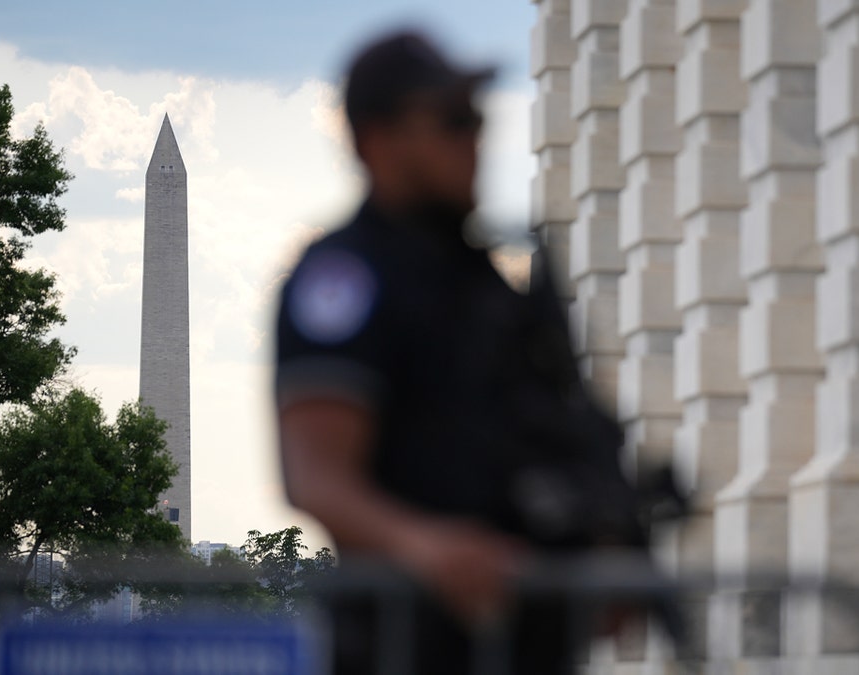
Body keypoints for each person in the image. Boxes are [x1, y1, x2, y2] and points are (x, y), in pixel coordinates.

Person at [273, 29, 642, 674]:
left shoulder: (491, 283)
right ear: (377, 141)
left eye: (476, 120)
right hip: (407, 644)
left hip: (525, 644)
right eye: (452, 121)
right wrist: (424, 546)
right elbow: (317, 475)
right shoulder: (345, 277)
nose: (474, 141)